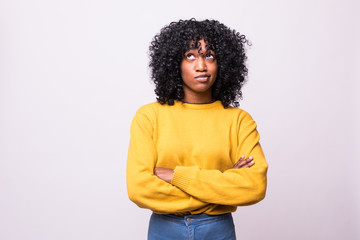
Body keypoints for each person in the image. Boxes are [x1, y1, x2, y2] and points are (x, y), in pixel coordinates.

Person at [126, 18, 268, 240]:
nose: (201, 66)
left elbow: (254, 186)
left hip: (218, 231)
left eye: (209, 55)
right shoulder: (149, 117)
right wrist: (224, 185)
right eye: (190, 55)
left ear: (223, 62)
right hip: (165, 230)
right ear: (174, 63)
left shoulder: (239, 121)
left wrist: (176, 176)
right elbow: (139, 189)